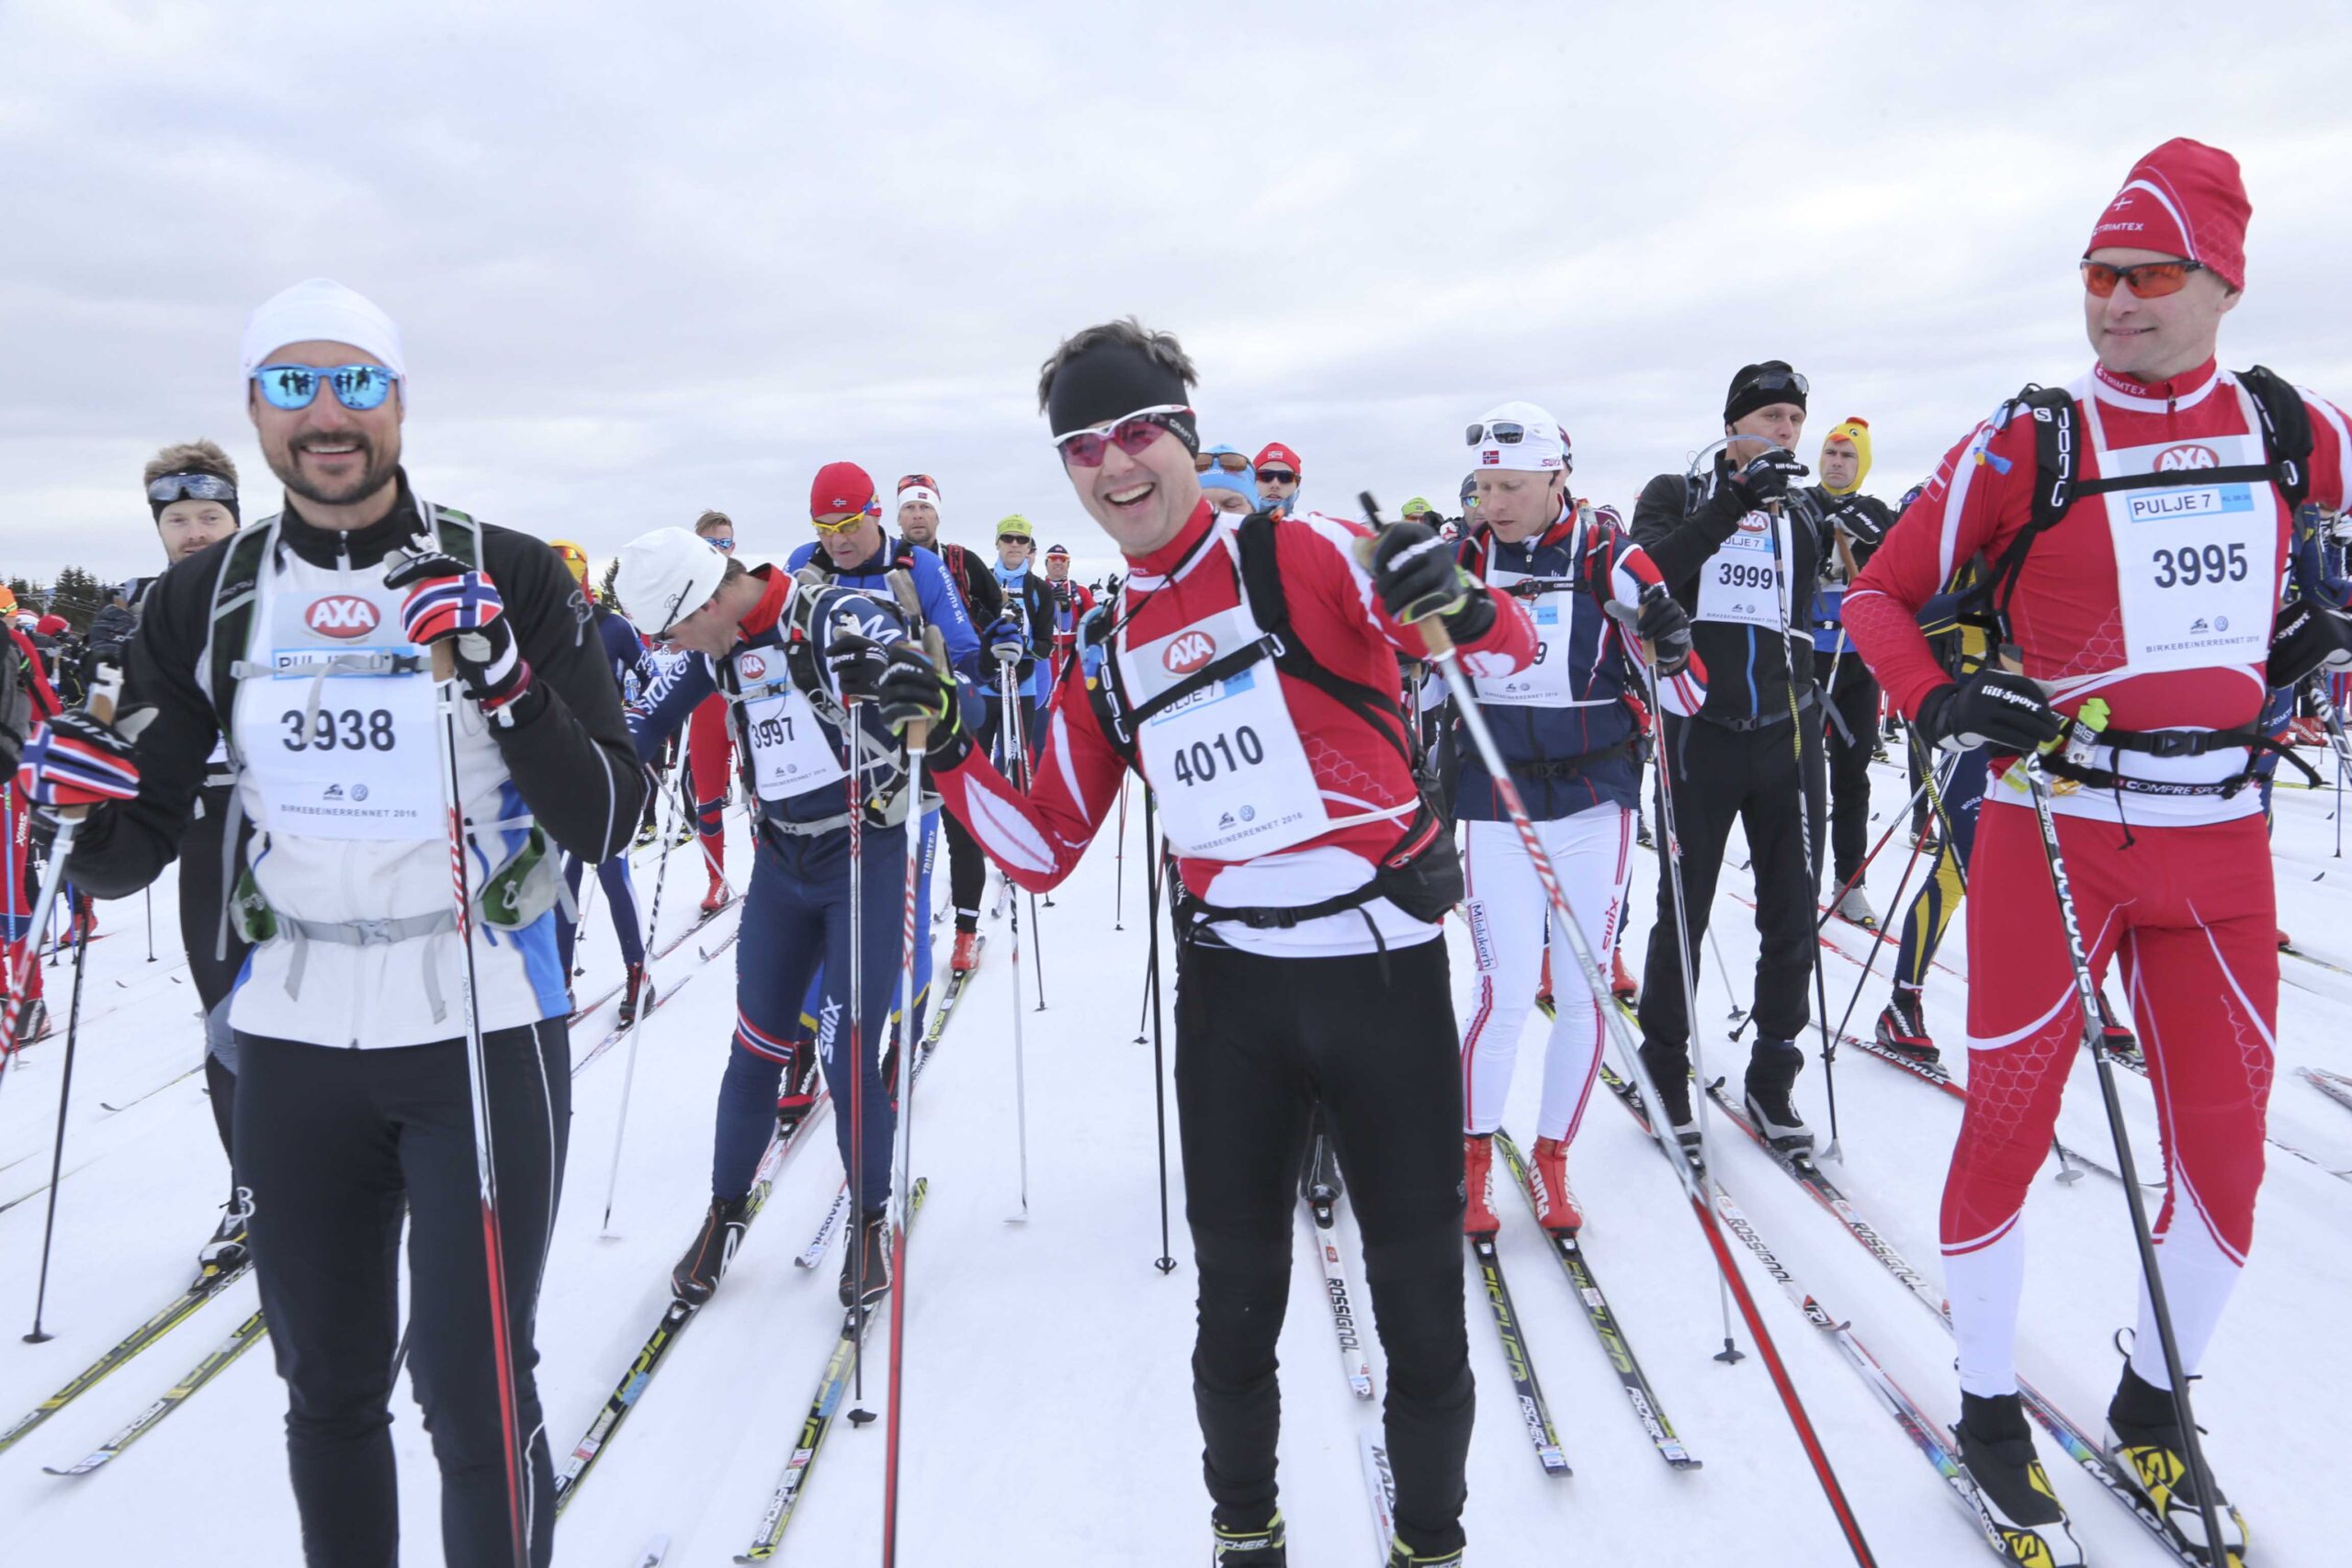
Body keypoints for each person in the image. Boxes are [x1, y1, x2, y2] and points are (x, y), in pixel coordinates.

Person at [875, 318, 1536, 1568]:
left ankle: (1431, 1542)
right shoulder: (1109, 643)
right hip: (1234, 998)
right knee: (1233, 1310)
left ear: (1182, 433)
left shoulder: (1303, 552)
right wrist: (953, 746)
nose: (1115, 466)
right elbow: (1040, 847)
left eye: (1136, 433)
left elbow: (1503, 642)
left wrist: (1456, 595)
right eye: (1083, 447)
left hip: (1382, 976)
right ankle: (1247, 1534)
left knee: (1423, 1310)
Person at [23, 277, 645, 1568]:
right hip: (293, 1029)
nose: (326, 413)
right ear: (255, 408)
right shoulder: (204, 600)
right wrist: (71, 805)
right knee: (329, 1390)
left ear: (399, 401)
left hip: (478, 1020)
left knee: (475, 1398)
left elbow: (610, 815)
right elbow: (134, 843)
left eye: (355, 381)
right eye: (293, 384)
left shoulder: (508, 568)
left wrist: (509, 683)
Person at [1845, 139, 2352, 1565]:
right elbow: (1879, 598)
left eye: (2148, 273)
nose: (2117, 300)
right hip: (2053, 829)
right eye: (2097, 275)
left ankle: (2152, 1395)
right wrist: (1942, 697)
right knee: (2006, 1118)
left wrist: (2319, 621)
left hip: (2223, 845)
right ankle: (1991, 1406)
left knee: (2228, 1165)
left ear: (2222, 281)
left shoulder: (2285, 423)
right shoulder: (2032, 438)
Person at [616, 496, 925, 1314]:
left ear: (707, 601)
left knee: (848, 1050)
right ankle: (724, 1212)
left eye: (672, 631)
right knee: (756, 1044)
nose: (669, 649)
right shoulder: (713, 642)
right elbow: (643, 725)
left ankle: (867, 1217)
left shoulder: (834, 613)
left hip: (862, 852)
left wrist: (898, 685)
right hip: (782, 864)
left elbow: (930, 694)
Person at [1448, 402, 1701, 1237]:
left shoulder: (1612, 557)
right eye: (1484, 485)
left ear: (1560, 477)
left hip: (1595, 797)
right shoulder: (1463, 557)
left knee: (1588, 988)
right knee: (1506, 992)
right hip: (1496, 800)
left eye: (1513, 485)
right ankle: (1473, 1161)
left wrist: (1669, 640)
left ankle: (1555, 1160)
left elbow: (1686, 693)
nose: (1496, 501)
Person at [1630, 360, 1831, 1156]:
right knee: (1684, 911)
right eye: (1771, 417)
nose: (1785, 432)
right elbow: (1646, 575)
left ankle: (1773, 1072)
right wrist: (1735, 502)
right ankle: (1664, 1066)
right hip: (1699, 738)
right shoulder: (1677, 492)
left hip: (1784, 739)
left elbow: (1801, 621)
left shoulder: (1805, 513)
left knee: (1792, 915)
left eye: (1793, 419)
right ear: (1733, 425)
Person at [781, 461, 980, 1060]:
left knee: (902, 914)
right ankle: (806, 1043)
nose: (836, 540)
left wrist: (926, 675)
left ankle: (901, 1035)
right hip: (824, 769)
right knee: (814, 913)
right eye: (823, 526)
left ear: (873, 512)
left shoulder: (916, 565)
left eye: (847, 523)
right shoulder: (802, 566)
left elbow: (963, 659)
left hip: (902, 769)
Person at [130, 440, 254, 1268]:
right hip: (208, 829)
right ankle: (252, 1187)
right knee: (224, 1021)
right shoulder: (144, 609)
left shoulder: (278, 593)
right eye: (179, 519)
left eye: (210, 515)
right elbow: (116, 730)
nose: (196, 532)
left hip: (293, 822)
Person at [894, 472, 1001, 975]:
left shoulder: (962, 562)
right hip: (900, 710)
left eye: (925, 508)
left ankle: (965, 931)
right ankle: (898, 923)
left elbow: (1000, 615)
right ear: (898, 516)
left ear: (938, 514)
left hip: (960, 700)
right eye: (910, 508)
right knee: (901, 820)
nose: (917, 515)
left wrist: (999, 644)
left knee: (961, 821)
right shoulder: (882, 562)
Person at [547, 537, 655, 1024]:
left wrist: (637, 728)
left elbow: (654, 682)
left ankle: (638, 972)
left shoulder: (614, 627)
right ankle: (560, 980)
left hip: (609, 768)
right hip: (558, 769)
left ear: (585, 580)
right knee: (560, 881)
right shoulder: (538, 630)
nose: (564, 592)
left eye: (571, 581)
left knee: (612, 873)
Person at [1808, 417, 1896, 926]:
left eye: (1848, 457)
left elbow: (1896, 565)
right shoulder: (1799, 502)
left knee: (1851, 774)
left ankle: (1850, 880)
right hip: (1802, 656)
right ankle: (1795, 871)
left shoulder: (1875, 512)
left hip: (1855, 658)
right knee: (1796, 774)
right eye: (1831, 455)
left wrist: (1871, 536)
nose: (1837, 464)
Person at [2, 614, 62, 1046]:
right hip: (11, 772)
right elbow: (49, 709)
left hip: (9, 776)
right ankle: (21, 1000)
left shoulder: (15, 642)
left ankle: (26, 1000)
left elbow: (46, 706)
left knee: (9, 890)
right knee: (9, 888)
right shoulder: (16, 642)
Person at [684, 508, 741, 914]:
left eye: (725, 542)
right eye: (711, 544)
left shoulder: (746, 586)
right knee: (707, 794)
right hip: (705, 702)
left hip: (744, 696)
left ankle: (769, 872)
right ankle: (716, 878)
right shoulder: (684, 593)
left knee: (758, 792)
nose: (719, 550)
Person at [984, 513, 1054, 765]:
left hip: (1022, 684)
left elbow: (1045, 646)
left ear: (1028, 547)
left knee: (1013, 761)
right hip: (984, 683)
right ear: (998, 543)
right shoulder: (983, 581)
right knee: (979, 759)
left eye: (1021, 539)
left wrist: (1022, 644)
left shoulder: (1039, 589)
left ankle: (1014, 803)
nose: (1014, 544)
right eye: (1007, 538)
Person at [1042, 542, 1097, 685]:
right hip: (1044, 657)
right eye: (1053, 558)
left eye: (1063, 559)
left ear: (1068, 564)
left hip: (1073, 657)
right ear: (1046, 563)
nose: (1059, 562)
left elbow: (1095, 621)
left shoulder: (1081, 592)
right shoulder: (1038, 590)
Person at [1254, 441, 1303, 516]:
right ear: (1252, 481)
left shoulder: (1309, 527)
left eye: (1286, 477)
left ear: (1297, 483)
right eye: (1265, 476)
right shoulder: (1236, 526)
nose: (1275, 485)